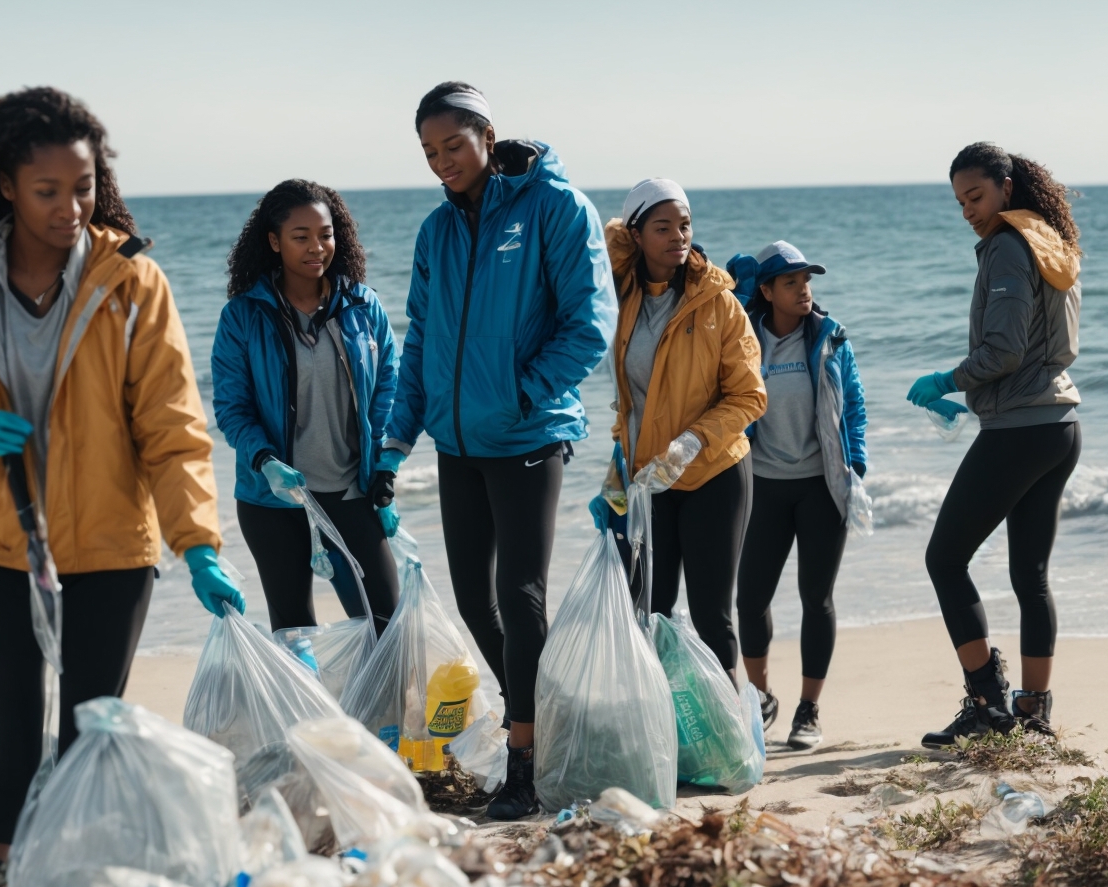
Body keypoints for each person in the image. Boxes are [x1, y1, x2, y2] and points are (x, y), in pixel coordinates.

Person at [0, 88, 240, 887]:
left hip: (113, 543)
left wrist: (199, 544)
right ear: (5, 183)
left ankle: (73, 882)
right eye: (48, 191)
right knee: (13, 727)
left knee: (89, 731)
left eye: (82, 187)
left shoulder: (131, 284)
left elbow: (173, 427)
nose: (70, 207)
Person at [383, 81, 617, 820]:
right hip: (457, 442)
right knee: (476, 599)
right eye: (429, 152)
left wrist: (524, 393)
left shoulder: (555, 207)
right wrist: (396, 437)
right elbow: (421, 341)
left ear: (488, 134)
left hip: (525, 434)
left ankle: (525, 762)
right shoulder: (436, 232)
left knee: (521, 595)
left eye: (453, 145)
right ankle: (539, 716)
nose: (443, 162)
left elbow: (591, 320)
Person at [908, 142, 1083, 748]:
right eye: (959, 201)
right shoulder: (1045, 240)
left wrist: (946, 381)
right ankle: (1032, 714)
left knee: (943, 559)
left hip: (1022, 432)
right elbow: (1034, 347)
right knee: (1029, 576)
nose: (967, 212)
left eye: (975, 197)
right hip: (1059, 425)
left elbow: (1004, 351)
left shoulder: (1008, 247)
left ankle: (987, 703)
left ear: (1006, 188)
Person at [211, 179, 401, 637]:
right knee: (295, 632)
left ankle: (387, 713)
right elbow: (232, 408)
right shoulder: (243, 316)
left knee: (386, 625)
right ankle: (317, 713)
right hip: (273, 500)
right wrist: (266, 461)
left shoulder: (362, 304)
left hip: (350, 493)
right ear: (274, 242)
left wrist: (384, 466)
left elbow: (389, 388)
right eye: (301, 237)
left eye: (326, 233)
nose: (317, 247)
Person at [592, 179, 764, 684]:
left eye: (685, 225)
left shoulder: (720, 304)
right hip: (645, 479)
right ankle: (662, 726)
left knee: (712, 615)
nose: (678, 236)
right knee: (647, 610)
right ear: (638, 234)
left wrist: (693, 441)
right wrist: (619, 475)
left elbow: (750, 395)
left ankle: (728, 729)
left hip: (713, 471)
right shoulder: (620, 292)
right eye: (662, 227)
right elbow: (599, 250)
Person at [723, 241, 867, 750]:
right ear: (767, 290)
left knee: (816, 597)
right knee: (751, 598)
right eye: (791, 282)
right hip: (760, 485)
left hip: (821, 486)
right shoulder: (743, 338)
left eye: (807, 280)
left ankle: (809, 710)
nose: (804, 289)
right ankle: (761, 699)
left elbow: (854, 404)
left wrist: (858, 464)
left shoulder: (830, 337)